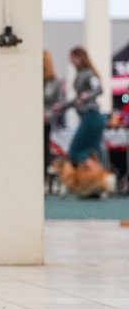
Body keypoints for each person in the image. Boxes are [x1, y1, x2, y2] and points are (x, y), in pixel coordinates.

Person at [52, 46, 116, 197]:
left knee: (76, 151)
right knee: (91, 153)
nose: (71, 61)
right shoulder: (80, 74)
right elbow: (77, 99)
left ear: (81, 57)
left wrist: (87, 95)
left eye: (73, 58)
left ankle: (96, 181)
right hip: (88, 118)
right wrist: (63, 106)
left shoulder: (88, 73)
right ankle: (94, 185)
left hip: (92, 117)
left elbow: (99, 89)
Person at [43, 50, 64, 174]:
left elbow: (58, 103)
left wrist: (49, 114)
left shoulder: (54, 81)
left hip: (47, 121)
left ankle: (46, 174)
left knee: (46, 148)